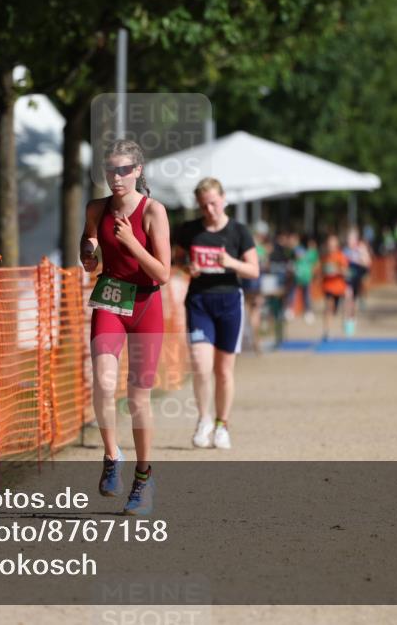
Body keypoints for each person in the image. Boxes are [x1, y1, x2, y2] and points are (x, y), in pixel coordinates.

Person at [81, 139, 170, 516]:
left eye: (123, 170)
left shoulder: (154, 211)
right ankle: (111, 455)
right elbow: (89, 254)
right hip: (111, 299)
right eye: (110, 170)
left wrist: (133, 243)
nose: (116, 177)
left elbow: (163, 273)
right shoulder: (96, 208)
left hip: (146, 304)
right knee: (102, 381)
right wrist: (87, 251)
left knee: (137, 398)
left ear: (138, 171)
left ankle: (144, 478)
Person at [173, 178, 259, 450]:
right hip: (199, 301)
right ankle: (203, 419)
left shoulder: (238, 231)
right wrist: (188, 267)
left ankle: (222, 424)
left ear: (223, 198)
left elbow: (254, 270)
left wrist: (231, 262)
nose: (209, 209)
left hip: (230, 302)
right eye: (203, 205)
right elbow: (176, 259)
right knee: (200, 365)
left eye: (213, 202)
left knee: (223, 370)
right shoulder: (189, 230)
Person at [242, 221, 271, 353]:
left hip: (246, 283)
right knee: (255, 313)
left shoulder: (246, 245)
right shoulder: (261, 248)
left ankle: (251, 341)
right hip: (256, 284)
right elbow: (265, 267)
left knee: (248, 313)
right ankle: (256, 342)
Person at [342, 228, 372, 335]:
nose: (350, 240)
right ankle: (346, 321)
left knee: (354, 300)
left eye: (352, 238)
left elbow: (367, 263)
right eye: (349, 238)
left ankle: (352, 319)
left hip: (358, 278)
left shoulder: (361, 249)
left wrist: (358, 261)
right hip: (347, 280)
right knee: (347, 297)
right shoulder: (345, 250)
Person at [319, 234, 348, 340]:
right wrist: (323, 272)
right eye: (329, 244)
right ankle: (326, 331)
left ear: (336, 245)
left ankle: (344, 326)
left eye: (333, 244)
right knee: (328, 308)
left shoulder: (340, 256)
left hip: (339, 287)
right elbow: (320, 270)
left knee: (336, 310)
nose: (331, 246)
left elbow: (346, 271)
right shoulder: (325, 257)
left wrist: (336, 270)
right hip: (328, 287)